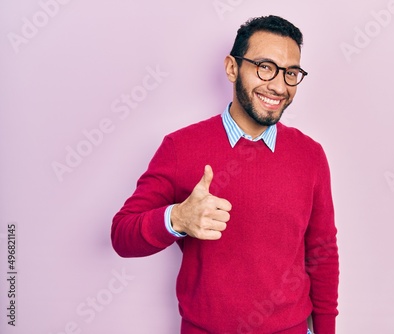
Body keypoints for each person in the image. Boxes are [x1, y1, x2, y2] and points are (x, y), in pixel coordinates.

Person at [111, 15, 339, 334]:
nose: (278, 85)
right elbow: (122, 236)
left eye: (290, 73)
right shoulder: (181, 147)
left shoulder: (310, 155)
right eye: (264, 66)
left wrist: (326, 330)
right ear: (232, 68)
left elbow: (322, 250)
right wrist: (176, 218)